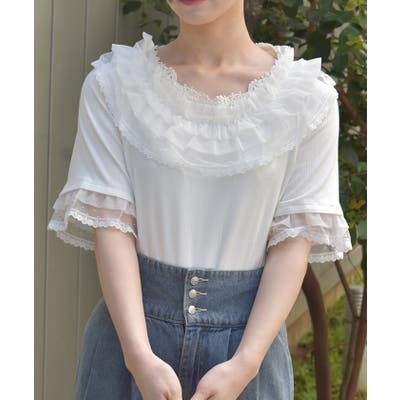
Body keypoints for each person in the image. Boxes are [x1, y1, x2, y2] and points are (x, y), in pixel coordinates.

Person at [47, 1, 353, 399]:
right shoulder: (115, 85)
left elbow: (292, 243)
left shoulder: (306, 99)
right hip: (130, 346)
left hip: (249, 352)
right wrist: (138, 357)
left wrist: (245, 364)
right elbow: (112, 228)